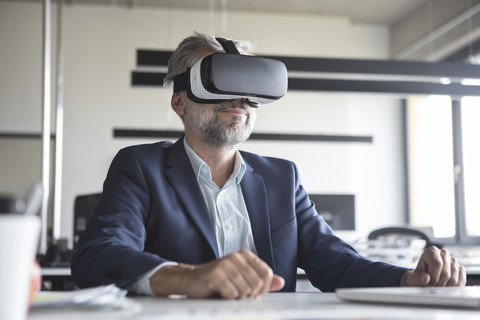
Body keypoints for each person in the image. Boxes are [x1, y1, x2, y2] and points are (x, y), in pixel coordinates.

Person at [71, 32, 466, 299]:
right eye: (220, 82)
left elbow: (335, 262)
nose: (238, 97)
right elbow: (97, 256)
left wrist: (406, 279)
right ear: (180, 102)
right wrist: (188, 277)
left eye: (247, 84)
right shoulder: (141, 166)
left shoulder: (282, 177)